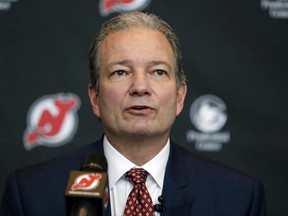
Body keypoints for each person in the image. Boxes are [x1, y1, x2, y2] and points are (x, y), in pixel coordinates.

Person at [1, 11, 266, 216]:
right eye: (121, 72)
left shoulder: (238, 197)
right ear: (94, 97)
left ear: (180, 96)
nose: (140, 87)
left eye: (158, 72)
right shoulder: (31, 194)